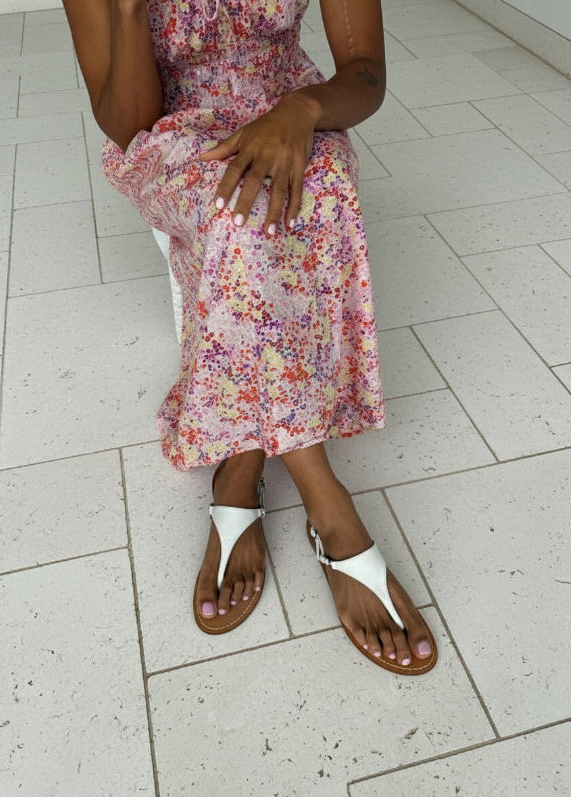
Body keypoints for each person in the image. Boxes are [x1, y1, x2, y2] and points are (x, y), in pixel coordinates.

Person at [62, 0, 436, 675]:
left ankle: (241, 460)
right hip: (174, 135)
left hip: (293, 108)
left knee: (317, 194)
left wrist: (304, 109)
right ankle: (326, 501)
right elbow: (129, 125)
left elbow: (365, 72)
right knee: (240, 221)